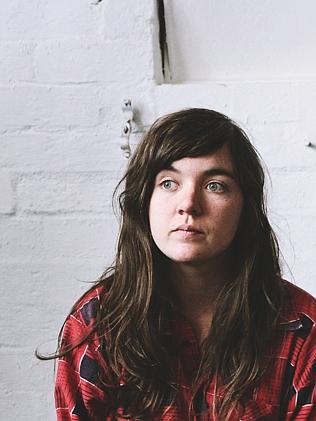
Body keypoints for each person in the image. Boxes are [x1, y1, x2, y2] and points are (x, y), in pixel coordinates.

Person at [43, 109, 315, 420]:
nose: (188, 204)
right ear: (145, 200)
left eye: (215, 185)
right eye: (169, 183)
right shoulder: (97, 324)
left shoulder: (301, 330)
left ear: (246, 208)